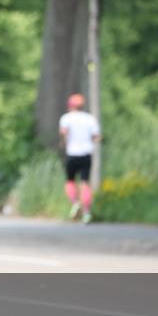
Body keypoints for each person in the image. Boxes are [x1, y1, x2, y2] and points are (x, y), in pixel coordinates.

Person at [59, 93, 101, 224]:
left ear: (70, 106)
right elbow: (97, 137)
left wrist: (64, 142)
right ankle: (86, 212)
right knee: (84, 183)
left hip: (72, 154)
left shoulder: (66, 118)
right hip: (86, 154)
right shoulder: (90, 119)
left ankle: (75, 203)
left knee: (70, 181)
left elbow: (64, 133)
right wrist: (90, 143)